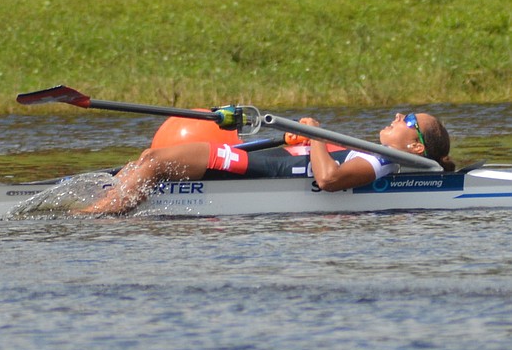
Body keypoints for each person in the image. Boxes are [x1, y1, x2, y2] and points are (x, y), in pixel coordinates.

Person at [76, 112, 454, 215]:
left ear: (417, 149)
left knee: (155, 161)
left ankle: (88, 218)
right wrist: (306, 139)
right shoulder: (376, 152)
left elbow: (329, 179)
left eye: (409, 123)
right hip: (267, 160)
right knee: (147, 160)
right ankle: (107, 201)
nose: (399, 115)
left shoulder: (384, 163)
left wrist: (317, 136)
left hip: (256, 171)